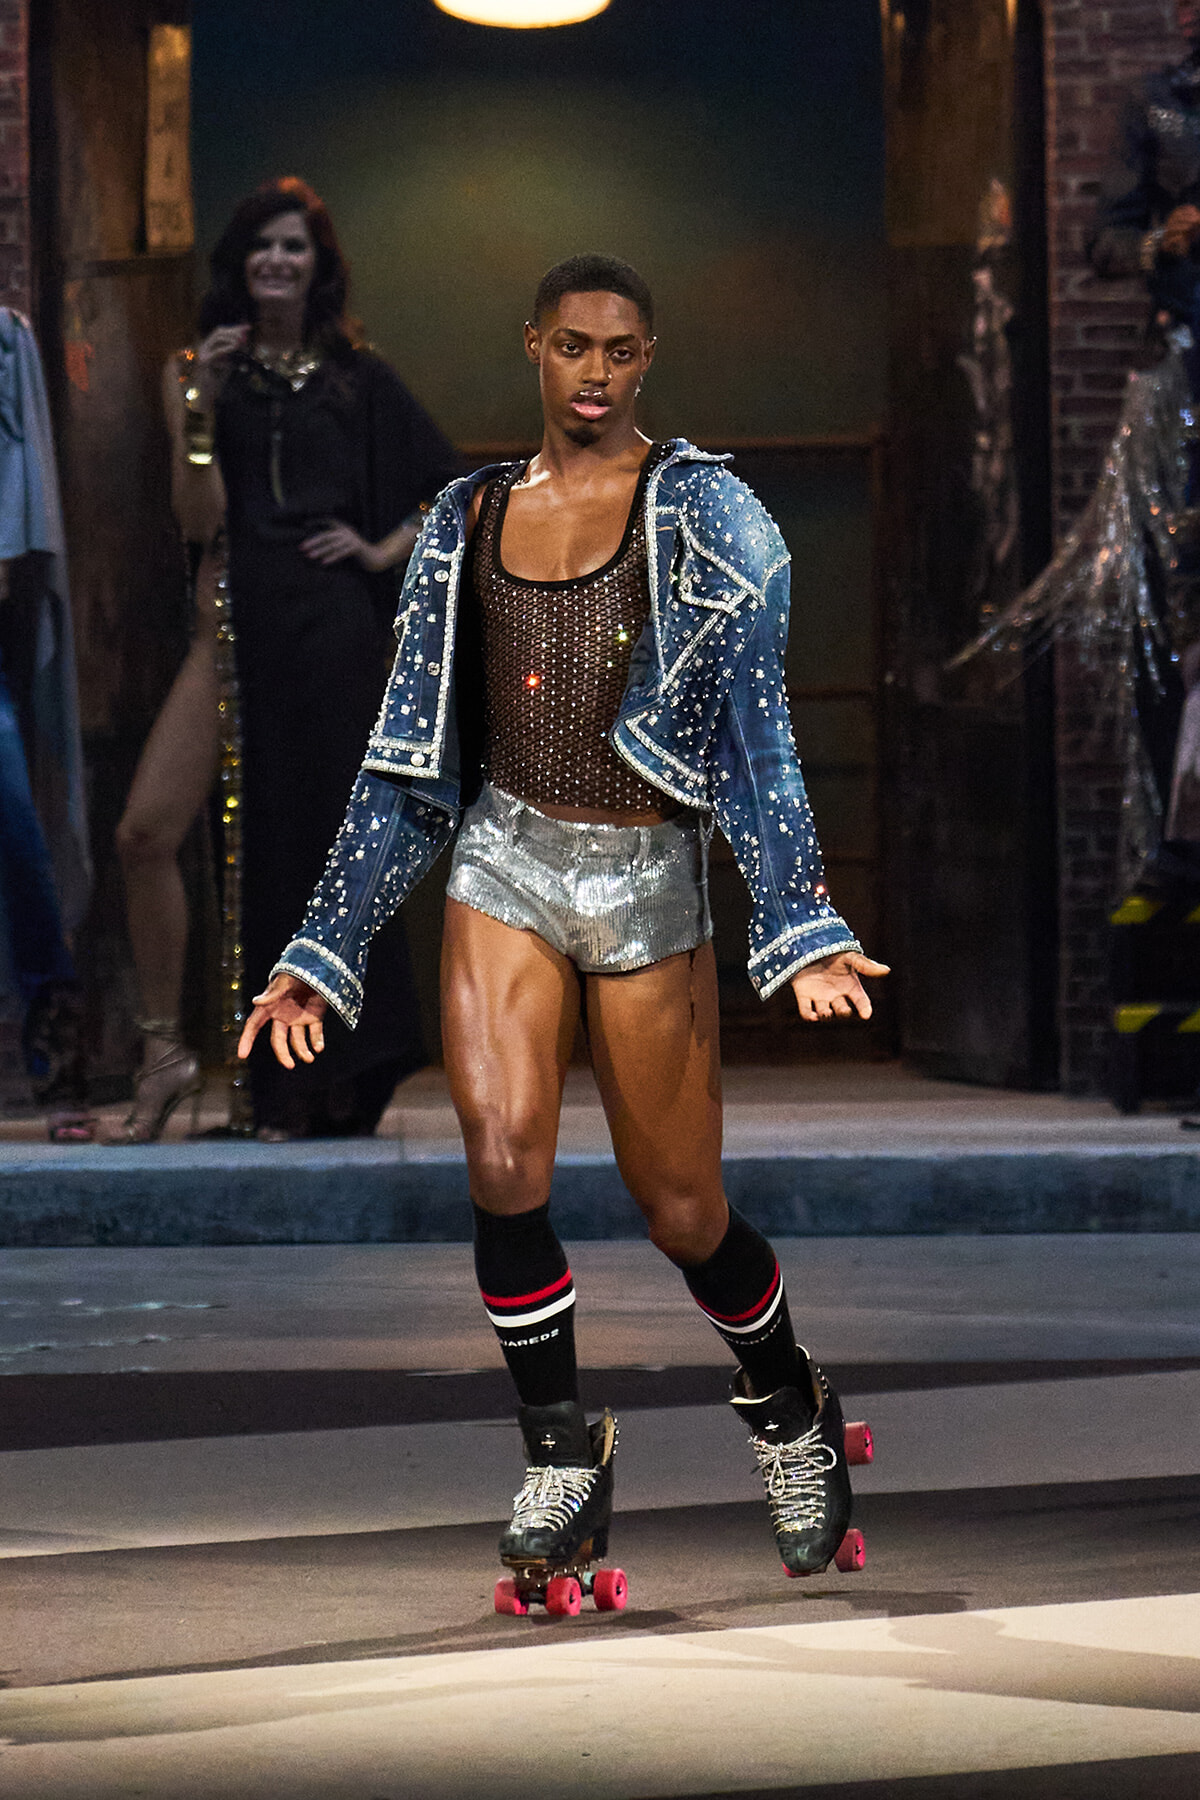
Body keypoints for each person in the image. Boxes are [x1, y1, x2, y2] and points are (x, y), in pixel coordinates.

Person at [240, 254, 887, 1584]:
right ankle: (557, 1448)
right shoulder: (462, 519)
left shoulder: (707, 514)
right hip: (507, 866)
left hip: (647, 875)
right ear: (532, 345)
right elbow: (404, 763)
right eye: (574, 345)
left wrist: (805, 922)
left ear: (649, 360)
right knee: (503, 1157)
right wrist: (320, 953)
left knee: (684, 1209)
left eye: (621, 350)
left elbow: (757, 739)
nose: (595, 372)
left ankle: (789, 1403)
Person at [108, 179, 458, 1141]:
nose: (276, 261)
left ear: (318, 266)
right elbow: (195, 521)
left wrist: (384, 549)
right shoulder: (195, 369)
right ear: (239, 260)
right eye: (261, 244)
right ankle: (167, 1053)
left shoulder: (356, 376)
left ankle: (309, 1085)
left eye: (294, 247)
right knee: (148, 831)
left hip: (328, 631)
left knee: (314, 851)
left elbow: (456, 492)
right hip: (227, 629)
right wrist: (200, 408)